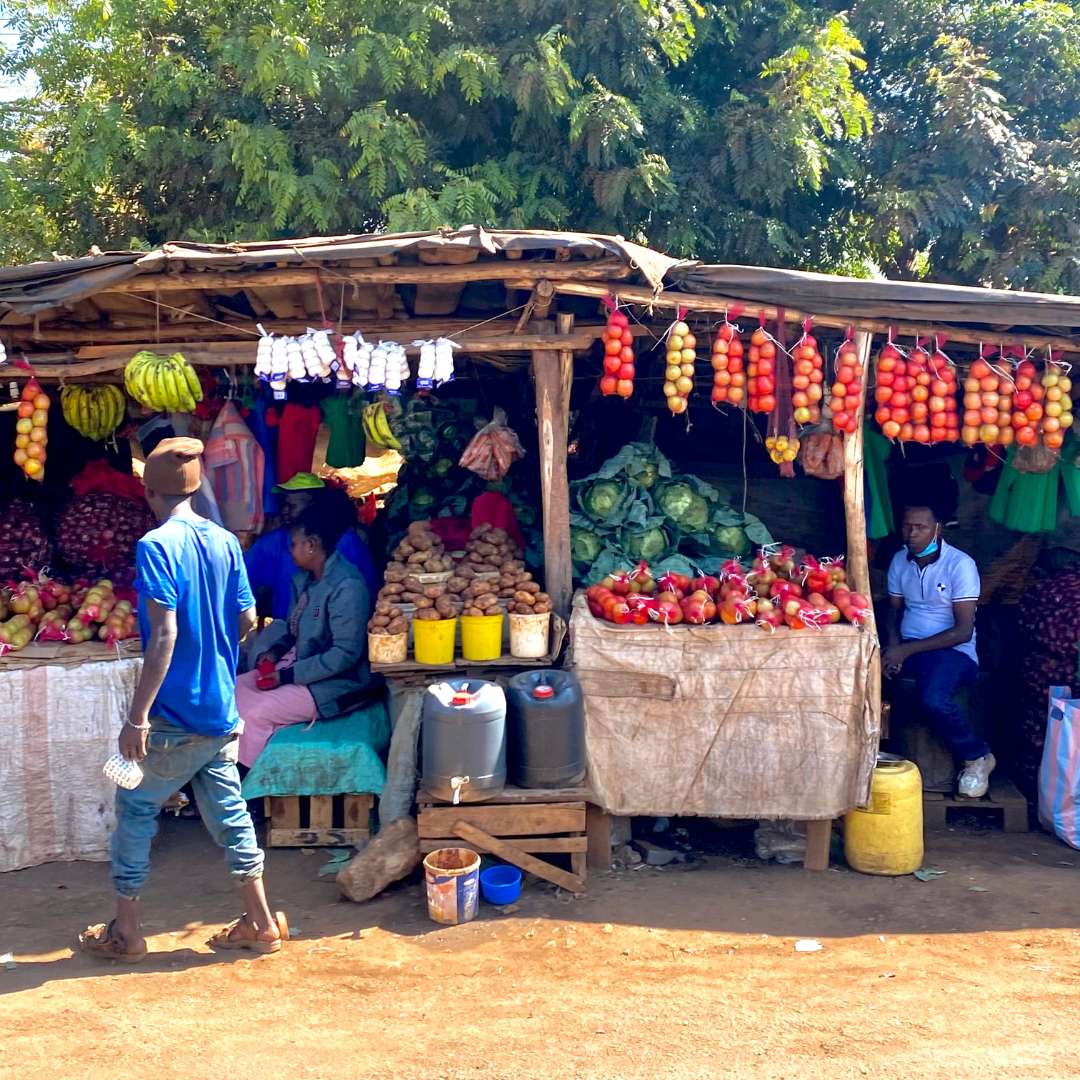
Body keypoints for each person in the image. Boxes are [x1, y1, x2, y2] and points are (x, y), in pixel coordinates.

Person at [79, 438, 287, 962]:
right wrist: (212, 645)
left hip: (174, 713)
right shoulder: (224, 542)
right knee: (230, 816)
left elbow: (164, 635)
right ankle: (261, 922)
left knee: (136, 810)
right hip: (219, 707)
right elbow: (245, 622)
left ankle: (126, 932)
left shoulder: (155, 546)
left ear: (149, 491)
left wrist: (137, 716)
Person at [235, 487, 373, 768]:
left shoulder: (347, 586)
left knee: (254, 713)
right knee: (233, 691)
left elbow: (345, 654)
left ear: (311, 545)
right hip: (300, 668)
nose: (290, 550)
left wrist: (285, 677)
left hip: (337, 685)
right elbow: (292, 630)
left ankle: (253, 787)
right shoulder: (304, 579)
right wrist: (273, 654)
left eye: (294, 544)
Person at [883, 502, 994, 798]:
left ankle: (977, 757)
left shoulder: (960, 565)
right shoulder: (899, 562)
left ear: (937, 530)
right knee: (867, 680)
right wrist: (893, 648)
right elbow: (893, 613)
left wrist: (905, 652)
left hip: (954, 652)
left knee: (933, 698)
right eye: (907, 526)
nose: (912, 533)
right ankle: (878, 759)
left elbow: (963, 631)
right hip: (909, 648)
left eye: (920, 527)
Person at [244, 472, 378, 620]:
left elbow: (367, 589)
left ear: (312, 506)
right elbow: (243, 579)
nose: (284, 511)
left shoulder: (345, 540)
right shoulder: (275, 542)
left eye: (291, 506)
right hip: (286, 632)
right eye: (283, 505)